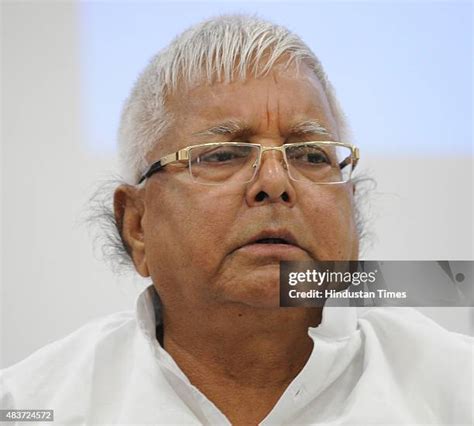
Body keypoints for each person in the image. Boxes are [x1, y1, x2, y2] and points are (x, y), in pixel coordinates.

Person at [1, 15, 472, 426]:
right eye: (223, 154)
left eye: (310, 155)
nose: (274, 181)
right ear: (136, 226)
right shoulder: (32, 406)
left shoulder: (456, 393)